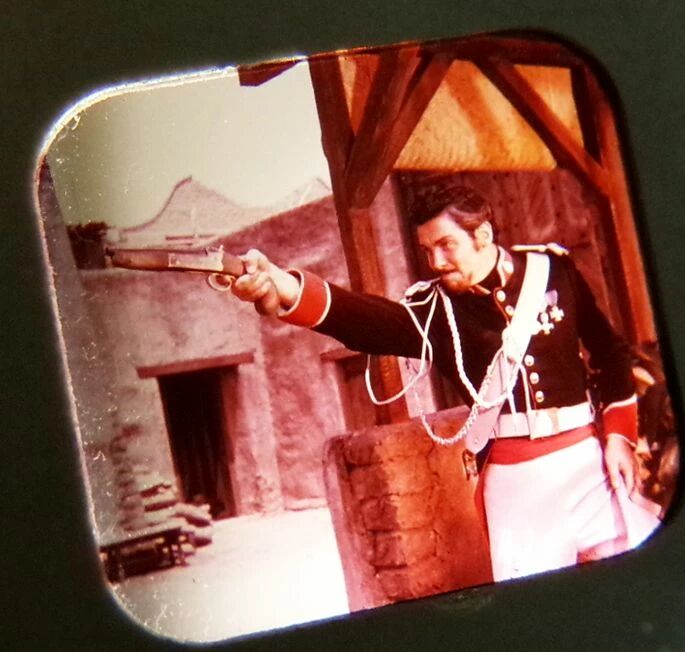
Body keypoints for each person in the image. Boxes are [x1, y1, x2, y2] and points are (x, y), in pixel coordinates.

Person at [231, 185, 645, 581]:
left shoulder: (553, 270)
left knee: (635, 574)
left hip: (589, 462)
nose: (437, 262)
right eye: (427, 250)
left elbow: (610, 352)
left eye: (447, 245)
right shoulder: (434, 308)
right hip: (518, 482)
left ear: (483, 235)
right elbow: (366, 321)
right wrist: (286, 287)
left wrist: (620, 438)